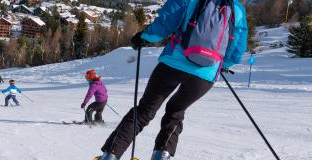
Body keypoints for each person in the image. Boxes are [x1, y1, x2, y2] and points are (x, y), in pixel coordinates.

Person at [97, 0, 248, 159]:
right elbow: (237, 49)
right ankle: (162, 154)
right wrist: (222, 64)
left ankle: (111, 155)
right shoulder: (236, 8)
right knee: (176, 111)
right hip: (205, 76)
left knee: (144, 111)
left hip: (173, 65)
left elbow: (164, 24)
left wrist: (144, 37)